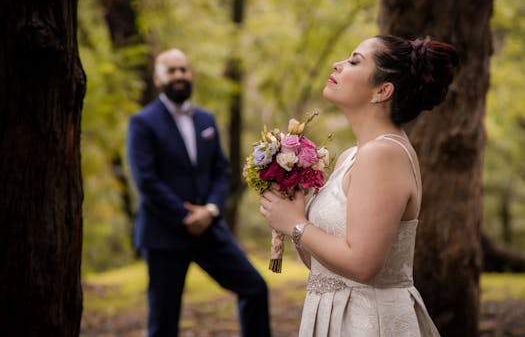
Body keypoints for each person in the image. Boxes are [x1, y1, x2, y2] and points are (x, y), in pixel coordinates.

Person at [259, 35, 459, 336]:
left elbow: (363, 264)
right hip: (333, 315)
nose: (337, 65)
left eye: (354, 61)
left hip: (368, 320)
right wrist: (294, 215)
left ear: (382, 90)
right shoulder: (352, 156)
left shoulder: (384, 154)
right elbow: (321, 265)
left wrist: (297, 224)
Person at [127, 48, 271, 337]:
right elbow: (146, 180)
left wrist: (211, 211)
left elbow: (221, 171)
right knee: (163, 322)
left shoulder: (206, 119)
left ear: (191, 74)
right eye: (171, 70)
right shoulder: (142, 122)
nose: (179, 75)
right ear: (158, 78)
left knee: (255, 288)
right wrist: (184, 215)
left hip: (209, 227)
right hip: (164, 233)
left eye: (183, 69)